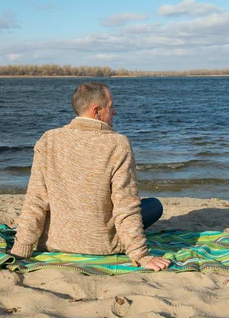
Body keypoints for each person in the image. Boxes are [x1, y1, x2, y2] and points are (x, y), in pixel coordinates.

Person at [10, 82, 171, 271]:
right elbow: (125, 205)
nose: (114, 112)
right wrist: (140, 256)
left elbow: (36, 199)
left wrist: (23, 247)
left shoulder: (49, 139)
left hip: (57, 242)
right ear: (97, 111)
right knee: (153, 206)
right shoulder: (118, 144)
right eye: (110, 107)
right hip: (103, 246)